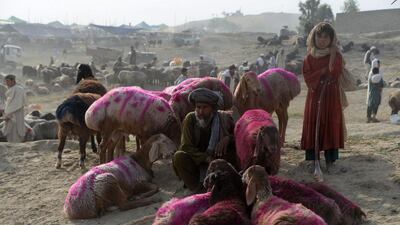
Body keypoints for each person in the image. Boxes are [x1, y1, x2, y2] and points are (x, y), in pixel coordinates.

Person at [172, 88, 235, 193]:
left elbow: (237, 135)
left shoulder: (224, 118)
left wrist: (228, 138)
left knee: (231, 152)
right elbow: (186, 146)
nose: (200, 111)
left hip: (217, 160)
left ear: (213, 108)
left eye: (205, 107)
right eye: (198, 107)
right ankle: (197, 189)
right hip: (197, 161)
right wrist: (205, 158)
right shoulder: (190, 119)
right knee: (179, 156)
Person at [301, 22, 345, 172]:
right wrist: (321, 72)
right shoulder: (309, 57)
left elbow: (336, 72)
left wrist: (329, 68)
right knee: (314, 124)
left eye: (326, 37)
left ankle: (331, 161)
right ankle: (312, 159)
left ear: (331, 38)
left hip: (331, 96)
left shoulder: (336, 55)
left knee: (330, 124)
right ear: (314, 38)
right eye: (319, 36)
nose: (322, 40)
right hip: (315, 96)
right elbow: (307, 76)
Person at [2, 75, 27, 143]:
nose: (6, 83)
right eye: (6, 81)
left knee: (16, 132)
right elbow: (9, 103)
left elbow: (17, 104)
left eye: (8, 81)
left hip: (16, 115)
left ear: (13, 81)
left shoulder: (18, 89)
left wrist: (8, 115)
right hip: (10, 115)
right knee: (10, 134)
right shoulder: (11, 90)